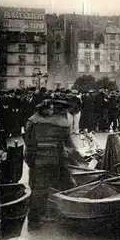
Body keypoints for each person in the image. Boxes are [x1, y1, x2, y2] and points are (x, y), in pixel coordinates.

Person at [24, 97, 73, 230]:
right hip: (56, 160)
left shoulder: (33, 121)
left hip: (38, 161)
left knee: (37, 189)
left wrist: (30, 160)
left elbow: (29, 144)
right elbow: (69, 146)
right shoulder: (63, 124)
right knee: (57, 187)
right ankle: (52, 215)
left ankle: (34, 221)